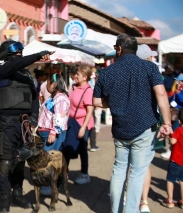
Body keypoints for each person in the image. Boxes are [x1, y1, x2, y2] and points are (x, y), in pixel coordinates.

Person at [93, 34, 172, 213]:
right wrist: (166, 122)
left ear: (119, 49)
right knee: (137, 173)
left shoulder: (107, 72)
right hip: (144, 128)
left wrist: (113, 102)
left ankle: (116, 210)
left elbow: (97, 102)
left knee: (119, 170)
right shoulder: (150, 68)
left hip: (120, 129)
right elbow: (161, 95)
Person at [0, 40, 52, 213]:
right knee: (6, 163)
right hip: (6, 124)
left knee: (20, 162)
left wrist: (34, 116)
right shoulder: (0, 71)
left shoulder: (26, 74)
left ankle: (17, 194)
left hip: (24, 124)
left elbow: (34, 98)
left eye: (20, 52)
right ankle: (4, 203)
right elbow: (17, 63)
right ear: (7, 55)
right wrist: (39, 55)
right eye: (16, 53)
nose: (20, 55)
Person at [37, 73, 70, 196]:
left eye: (48, 82)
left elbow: (59, 117)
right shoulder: (55, 97)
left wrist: (53, 131)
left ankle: (49, 186)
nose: (46, 85)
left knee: (49, 161)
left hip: (53, 134)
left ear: (54, 84)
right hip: (47, 132)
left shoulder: (61, 98)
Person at [136, 44, 159, 213]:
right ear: (147, 58)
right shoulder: (152, 72)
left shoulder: (128, 72)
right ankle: (143, 201)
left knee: (129, 164)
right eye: (151, 56)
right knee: (144, 165)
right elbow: (161, 96)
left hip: (128, 124)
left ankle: (130, 197)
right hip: (147, 123)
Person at [65, 66, 94, 185]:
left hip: (82, 123)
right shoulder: (74, 87)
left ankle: (84, 173)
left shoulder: (88, 91)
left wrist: (83, 127)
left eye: (78, 74)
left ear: (85, 77)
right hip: (71, 122)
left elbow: (90, 111)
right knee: (66, 147)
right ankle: (64, 172)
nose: (75, 76)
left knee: (82, 148)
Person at [165, 108, 183, 209]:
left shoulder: (179, 130)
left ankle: (170, 200)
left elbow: (173, 141)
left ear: (179, 120)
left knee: (170, 180)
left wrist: (168, 137)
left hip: (175, 160)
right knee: (182, 181)